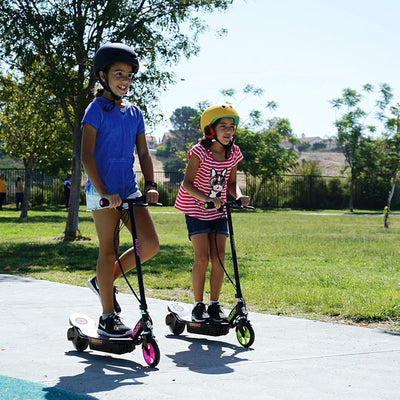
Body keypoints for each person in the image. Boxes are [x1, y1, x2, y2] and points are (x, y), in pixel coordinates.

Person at [81, 42, 159, 337]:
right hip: (102, 192)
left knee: (149, 245)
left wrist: (150, 184)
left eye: (128, 75)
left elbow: (145, 153)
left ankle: (104, 282)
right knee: (108, 250)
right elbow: (87, 155)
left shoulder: (135, 112)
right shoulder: (95, 109)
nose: (124, 80)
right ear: (103, 76)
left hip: (129, 190)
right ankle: (106, 316)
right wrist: (103, 192)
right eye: (118, 74)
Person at [175, 104, 250, 322]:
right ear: (211, 130)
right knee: (202, 258)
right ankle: (198, 306)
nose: (229, 131)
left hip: (219, 211)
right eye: (223, 126)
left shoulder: (233, 152)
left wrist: (239, 195)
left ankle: (214, 305)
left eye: (231, 127)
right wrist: (207, 199)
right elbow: (187, 184)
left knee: (219, 259)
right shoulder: (200, 152)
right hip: (196, 208)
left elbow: (232, 183)